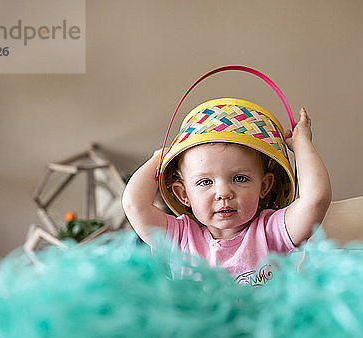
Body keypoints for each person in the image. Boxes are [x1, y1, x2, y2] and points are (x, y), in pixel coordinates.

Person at [123, 107, 331, 284]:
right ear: (183, 194)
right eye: (205, 182)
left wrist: (302, 143)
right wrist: (159, 159)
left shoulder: (271, 232)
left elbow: (316, 199)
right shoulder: (180, 237)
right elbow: (134, 205)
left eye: (240, 178)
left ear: (264, 186)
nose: (223, 193)